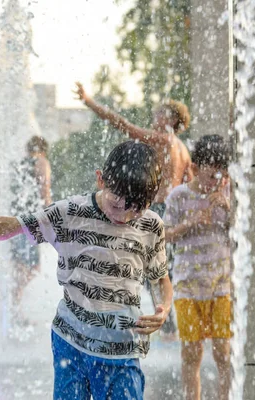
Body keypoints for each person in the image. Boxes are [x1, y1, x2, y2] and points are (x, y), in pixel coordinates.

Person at [0, 140, 172, 400]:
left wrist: (164, 308)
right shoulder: (71, 213)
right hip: (72, 344)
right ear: (100, 180)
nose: (124, 216)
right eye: (117, 204)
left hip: (122, 350)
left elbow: (160, 278)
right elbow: (9, 227)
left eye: (136, 208)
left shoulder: (151, 226)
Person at [75, 82, 189, 336]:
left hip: (154, 208)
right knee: (164, 268)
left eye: (158, 113)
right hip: (172, 210)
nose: (153, 116)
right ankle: (169, 321)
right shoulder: (183, 149)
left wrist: (89, 102)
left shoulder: (162, 140)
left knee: (149, 268)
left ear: (169, 118)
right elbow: (189, 184)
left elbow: (123, 124)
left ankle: (162, 322)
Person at [163, 135, 232, 400]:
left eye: (222, 176)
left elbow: (240, 237)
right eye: (212, 174)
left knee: (223, 353)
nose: (217, 181)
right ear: (196, 166)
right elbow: (166, 234)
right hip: (188, 288)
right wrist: (191, 222)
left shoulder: (227, 194)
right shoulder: (179, 196)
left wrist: (229, 211)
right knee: (192, 353)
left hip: (220, 287)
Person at [10, 136, 52, 319]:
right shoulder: (41, 161)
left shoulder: (21, 163)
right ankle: (12, 304)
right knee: (32, 267)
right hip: (29, 222)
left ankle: (11, 305)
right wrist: (51, 215)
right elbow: (45, 190)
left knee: (21, 266)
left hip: (15, 219)